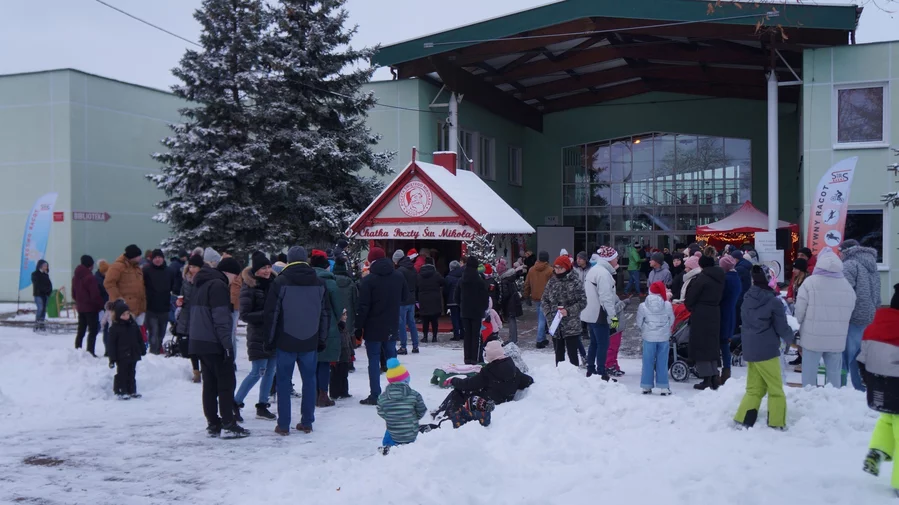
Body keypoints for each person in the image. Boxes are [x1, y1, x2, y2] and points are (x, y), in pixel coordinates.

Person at [263, 246, 329, 435]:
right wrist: (322, 338)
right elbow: (325, 314)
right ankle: (307, 421)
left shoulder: (280, 281)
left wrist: (269, 340)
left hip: (286, 340)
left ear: (289, 260)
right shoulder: (319, 282)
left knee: (283, 382)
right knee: (310, 381)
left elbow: (272, 314)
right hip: (310, 340)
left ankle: (283, 424)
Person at [188, 257, 248, 438]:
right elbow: (221, 319)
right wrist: (227, 345)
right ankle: (228, 423)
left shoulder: (201, 283)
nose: (235, 281)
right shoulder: (218, 286)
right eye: (235, 276)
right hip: (214, 342)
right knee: (226, 384)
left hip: (199, 341)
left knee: (209, 385)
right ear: (229, 273)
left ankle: (213, 423)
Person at [734, 266, 795, 429]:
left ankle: (743, 419)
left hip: (750, 348)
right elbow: (782, 327)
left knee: (754, 388)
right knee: (775, 389)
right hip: (767, 351)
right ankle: (776, 422)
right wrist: (793, 338)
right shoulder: (774, 301)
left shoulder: (747, 297)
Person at [794, 250, 856, 388]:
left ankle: (809, 397)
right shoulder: (846, 285)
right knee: (834, 376)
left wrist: (799, 322)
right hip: (836, 338)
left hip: (812, 337)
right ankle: (832, 398)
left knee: (809, 375)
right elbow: (851, 309)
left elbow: (800, 310)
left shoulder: (810, 282)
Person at [859, 284, 899, 494]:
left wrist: (871, 382)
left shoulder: (873, 327)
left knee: (887, 419)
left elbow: (861, 359)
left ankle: (877, 451)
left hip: (879, 389)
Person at [355, 247, 406, 405]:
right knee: (392, 360)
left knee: (373, 360)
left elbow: (363, 307)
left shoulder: (368, 280)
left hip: (373, 326)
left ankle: (375, 394)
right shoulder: (398, 276)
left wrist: (358, 327)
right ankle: (398, 392)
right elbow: (405, 297)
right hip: (391, 324)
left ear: (371, 261)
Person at [234, 253, 277, 421]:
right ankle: (235, 403)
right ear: (256, 270)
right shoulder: (249, 286)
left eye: (268, 267)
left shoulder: (275, 283)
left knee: (270, 371)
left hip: (273, 334)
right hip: (258, 335)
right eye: (263, 268)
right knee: (257, 371)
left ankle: (262, 405)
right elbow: (244, 315)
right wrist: (266, 315)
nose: (267, 271)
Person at [840, 239, 882, 392]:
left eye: (840, 252)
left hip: (854, 316)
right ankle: (861, 387)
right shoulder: (872, 265)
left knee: (845, 355)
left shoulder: (849, 265)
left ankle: (839, 387)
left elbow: (844, 292)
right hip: (870, 315)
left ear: (846, 251)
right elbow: (877, 291)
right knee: (861, 355)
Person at [685, 254, 725, 390]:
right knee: (712, 344)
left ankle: (706, 378)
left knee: (701, 345)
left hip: (701, 313)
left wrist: (691, 307)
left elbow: (690, 297)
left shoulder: (702, 278)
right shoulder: (720, 277)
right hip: (715, 312)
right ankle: (714, 375)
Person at [450, 340, 534, 404]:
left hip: (488, 402)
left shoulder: (488, 371)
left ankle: (447, 413)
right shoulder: (514, 369)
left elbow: (469, 384)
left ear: (490, 355)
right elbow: (528, 380)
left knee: (458, 392)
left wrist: (454, 381)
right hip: (505, 400)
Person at [310, 249, 343, 408]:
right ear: (325, 267)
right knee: (323, 362)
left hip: (307, 327)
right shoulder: (330, 282)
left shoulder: (306, 280)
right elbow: (338, 307)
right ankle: (323, 395)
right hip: (327, 326)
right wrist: (340, 321)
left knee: (310, 362)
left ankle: (312, 393)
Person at [581, 247, 621, 380]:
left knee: (594, 343)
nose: (617, 260)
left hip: (590, 313)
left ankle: (591, 370)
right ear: (610, 259)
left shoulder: (594, 270)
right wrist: (613, 318)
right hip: (600, 314)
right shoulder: (603, 274)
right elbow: (606, 299)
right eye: (616, 257)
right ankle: (601, 373)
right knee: (603, 344)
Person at [542, 255, 588, 367]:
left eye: (560, 268)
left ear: (567, 268)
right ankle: (559, 374)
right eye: (556, 267)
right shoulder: (552, 282)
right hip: (555, 324)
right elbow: (544, 299)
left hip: (571, 325)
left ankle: (574, 374)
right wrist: (548, 314)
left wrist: (568, 311)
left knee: (572, 355)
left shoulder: (575, 282)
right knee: (558, 354)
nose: (557, 270)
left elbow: (582, 302)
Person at [377, 358, 427, 453]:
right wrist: (412, 418)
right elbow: (422, 410)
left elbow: (380, 411)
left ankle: (388, 447)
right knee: (412, 431)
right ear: (406, 380)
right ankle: (413, 448)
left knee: (389, 432)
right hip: (411, 432)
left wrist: (392, 417)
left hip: (393, 431)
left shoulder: (383, 397)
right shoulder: (414, 395)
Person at [638, 282, 674, 395]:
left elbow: (639, 322)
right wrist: (666, 329)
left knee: (647, 361)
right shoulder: (667, 305)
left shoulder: (643, 305)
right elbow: (671, 319)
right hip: (663, 337)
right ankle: (663, 387)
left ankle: (646, 386)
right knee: (662, 361)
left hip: (648, 337)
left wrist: (645, 329)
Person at [331, 255, 358, 399]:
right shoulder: (351, 283)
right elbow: (355, 300)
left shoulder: (331, 283)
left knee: (336, 340)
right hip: (349, 314)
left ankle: (335, 362)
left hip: (335, 316)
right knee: (347, 339)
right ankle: (349, 362)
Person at [107, 300, 145, 399]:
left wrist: (142, 348)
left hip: (133, 352)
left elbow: (139, 338)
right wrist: (112, 359)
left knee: (132, 372)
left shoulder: (133, 325)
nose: (126, 316)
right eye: (123, 315)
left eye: (127, 314)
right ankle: (121, 390)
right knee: (122, 373)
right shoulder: (114, 328)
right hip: (122, 355)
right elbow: (111, 345)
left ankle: (132, 390)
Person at [105, 245, 147, 332]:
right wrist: (118, 300)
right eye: (138, 256)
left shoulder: (137, 268)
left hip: (139, 309)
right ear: (132, 256)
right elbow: (109, 283)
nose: (140, 258)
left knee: (136, 335)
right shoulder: (117, 267)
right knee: (123, 334)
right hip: (125, 309)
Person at [177, 254, 205, 383]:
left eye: (195, 267)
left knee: (201, 343)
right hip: (187, 314)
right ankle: (196, 371)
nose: (192, 269)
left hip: (200, 315)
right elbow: (182, 294)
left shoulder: (204, 280)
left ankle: (204, 369)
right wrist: (180, 302)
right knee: (191, 344)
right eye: (190, 266)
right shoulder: (186, 280)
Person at [457, 256, 489, 365]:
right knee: (476, 336)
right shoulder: (480, 281)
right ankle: (475, 359)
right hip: (477, 312)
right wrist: (483, 309)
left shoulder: (461, 280)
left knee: (467, 335)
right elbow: (485, 297)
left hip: (465, 312)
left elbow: (456, 296)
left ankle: (467, 358)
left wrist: (462, 305)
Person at [142, 249, 173, 355]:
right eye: (155, 258)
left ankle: (158, 349)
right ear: (152, 259)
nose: (157, 259)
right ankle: (153, 352)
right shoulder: (146, 271)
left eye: (159, 257)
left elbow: (173, 285)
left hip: (164, 306)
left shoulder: (169, 271)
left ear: (163, 258)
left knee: (161, 332)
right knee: (153, 332)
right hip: (151, 307)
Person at [719, 255, 743, 385]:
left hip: (723, 314)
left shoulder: (726, 279)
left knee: (723, 343)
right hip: (731, 313)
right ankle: (726, 370)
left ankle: (725, 371)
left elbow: (720, 296)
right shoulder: (736, 278)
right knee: (725, 342)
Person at [72, 255, 103, 357]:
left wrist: (79, 302)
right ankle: (90, 351)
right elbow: (95, 294)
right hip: (91, 308)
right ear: (90, 265)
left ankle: (78, 348)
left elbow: (73, 293)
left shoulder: (75, 277)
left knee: (81, 330)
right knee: (93, 330)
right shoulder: (90, 278)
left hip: (81, 307)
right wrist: (100, 305)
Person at [524, 251, 553, 349]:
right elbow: (554, 285)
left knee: (541, 318)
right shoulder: (550, 270)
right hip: (546, 298)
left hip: (536, 297)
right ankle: (540, 340)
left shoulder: (532, 269)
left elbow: (527, 284)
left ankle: (543, 338)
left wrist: (526, 296)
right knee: (542, 319)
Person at [395, 251, 419, 355]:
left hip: (402, 300)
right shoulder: (413, 268)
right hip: (412, 299)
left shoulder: (400, 271)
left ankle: (403, 347)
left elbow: (398, 286)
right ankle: (415, 346)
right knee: (412, 323)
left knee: (402, 324)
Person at [417, 257, 444, 344]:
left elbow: (416, 286)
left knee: (425, 320)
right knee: (434, 320)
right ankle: (434, 337)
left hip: (423, 299)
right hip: (435, 299)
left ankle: (425, 337)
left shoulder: (420, 275)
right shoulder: (436, 274)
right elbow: (443, 282)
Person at [496, 260, 524, 344]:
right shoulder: (510, 277)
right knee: (512, 320)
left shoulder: (504, 280)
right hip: (514, 301)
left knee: (511, 320)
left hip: (510, 303)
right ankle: (513, 338)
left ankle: (512, 339)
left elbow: (505, 294)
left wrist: (501, 303)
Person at [444, 260, 464, 341]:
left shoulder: (448, 277)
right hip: (461, 299)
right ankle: (462, 333)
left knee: (454, 318)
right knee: (461, 317)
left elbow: (446, 290)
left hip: (452, 300)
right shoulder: (463, 275)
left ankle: (456, 335)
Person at [31, 260, 52, 332]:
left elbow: (49, 284)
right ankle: (37, 324)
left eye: (46, 266)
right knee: (40, 308)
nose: (46, 267)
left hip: (46, 295)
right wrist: (44, 290)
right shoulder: (35, 274)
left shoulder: (46, 275)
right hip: (38, 294)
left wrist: (49, 291)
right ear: (40, 266)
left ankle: (42, 325)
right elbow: (37, 284)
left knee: (44, 310)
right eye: (44, 265)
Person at [95, 260, 111, 356]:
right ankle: (107, 350)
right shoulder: (99, 280)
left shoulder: (102, 278)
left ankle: (108, 350)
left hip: (107, 306)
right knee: (103, 327)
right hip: (102, 307)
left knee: (106, 329)